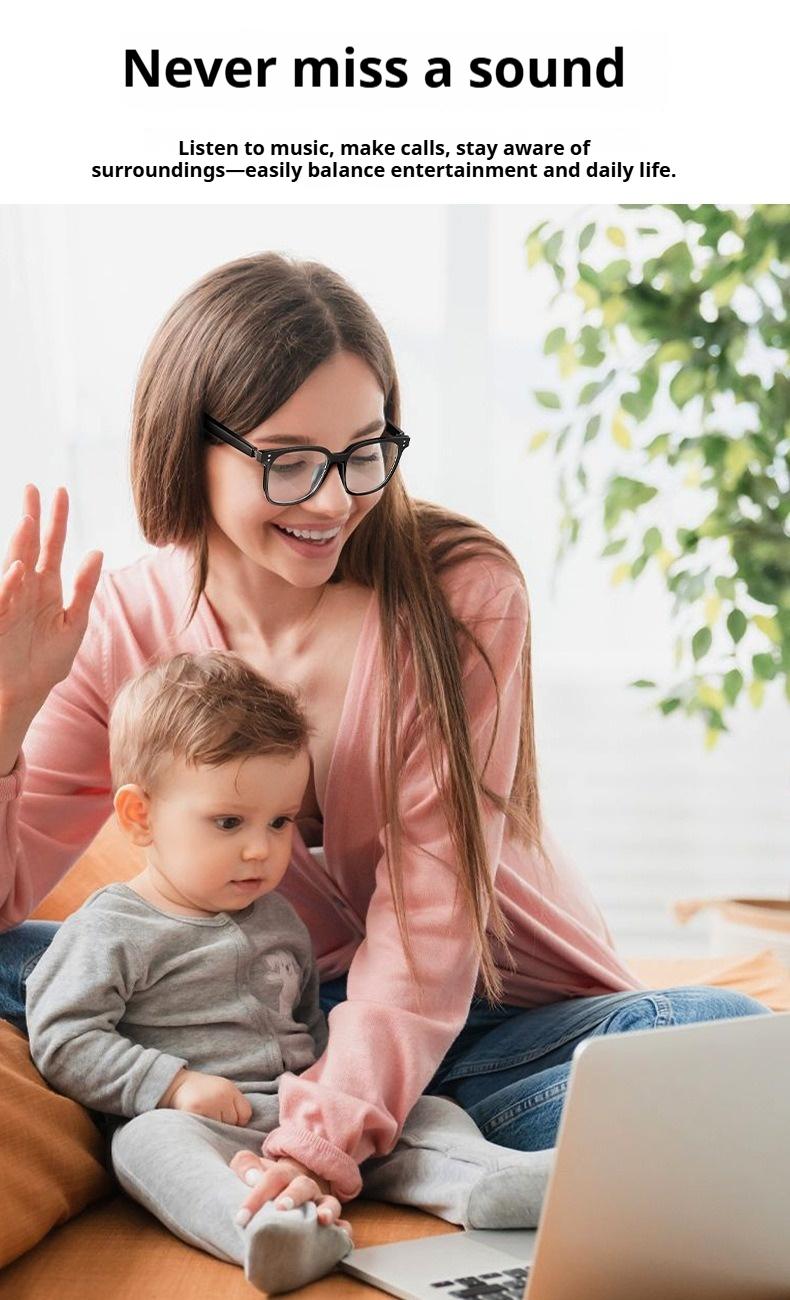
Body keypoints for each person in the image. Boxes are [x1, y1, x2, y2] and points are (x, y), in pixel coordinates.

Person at [0, 253, 765, 1228]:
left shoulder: (460, 593)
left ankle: (367, 1126)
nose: (332, 501)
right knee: (23, 957)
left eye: (363, 451)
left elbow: (427, 923)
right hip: (251, 1013)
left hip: (483, 1014)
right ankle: (385, 1132)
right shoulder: (125, 620)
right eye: (287, 460)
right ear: (187, 447)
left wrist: (320, 1141)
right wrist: (9, 710)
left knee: (721, 1032)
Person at [25, 651, 555, 1293]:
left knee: (423, 1111)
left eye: (280, 822)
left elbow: (311, 1027)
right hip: (207, 1125)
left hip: (309, 1112)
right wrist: (171, 1085)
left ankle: (488, 1182)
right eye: (228, 822)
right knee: (145, 1145)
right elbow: (62, 1038)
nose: (262, 849)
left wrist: (331, 1103)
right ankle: (272, 1228)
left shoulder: (278, 917)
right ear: (140, 816)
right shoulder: (111, 927)